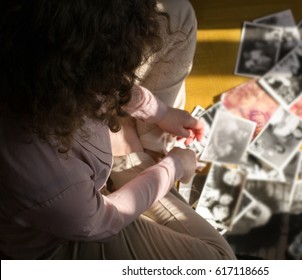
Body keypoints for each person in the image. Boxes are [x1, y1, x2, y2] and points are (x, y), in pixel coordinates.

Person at [0, 0, 236, 260]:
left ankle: (130, 150)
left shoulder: (43, 54)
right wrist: (174, 166)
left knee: (175, 15)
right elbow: (103, 220)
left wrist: (160, 112)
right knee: (220, 262)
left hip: (72, 128)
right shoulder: (49, 181)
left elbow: (103, 81)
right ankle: (130, 155)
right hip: (59, 240)